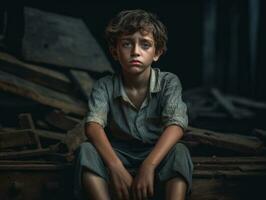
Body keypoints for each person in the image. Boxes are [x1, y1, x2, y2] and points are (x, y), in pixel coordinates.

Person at [74, 9, 193, 200]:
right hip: (117, 152)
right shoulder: (104, 85)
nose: (136, 52)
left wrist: (149, 165)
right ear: (115, 51)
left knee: (180, 151)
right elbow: (93, 126)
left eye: (145, 45)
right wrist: (115, 167)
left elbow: (176, 125)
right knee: (86, 150)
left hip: (156, 152)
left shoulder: (168, 82)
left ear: (157, 53)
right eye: (127, 44)